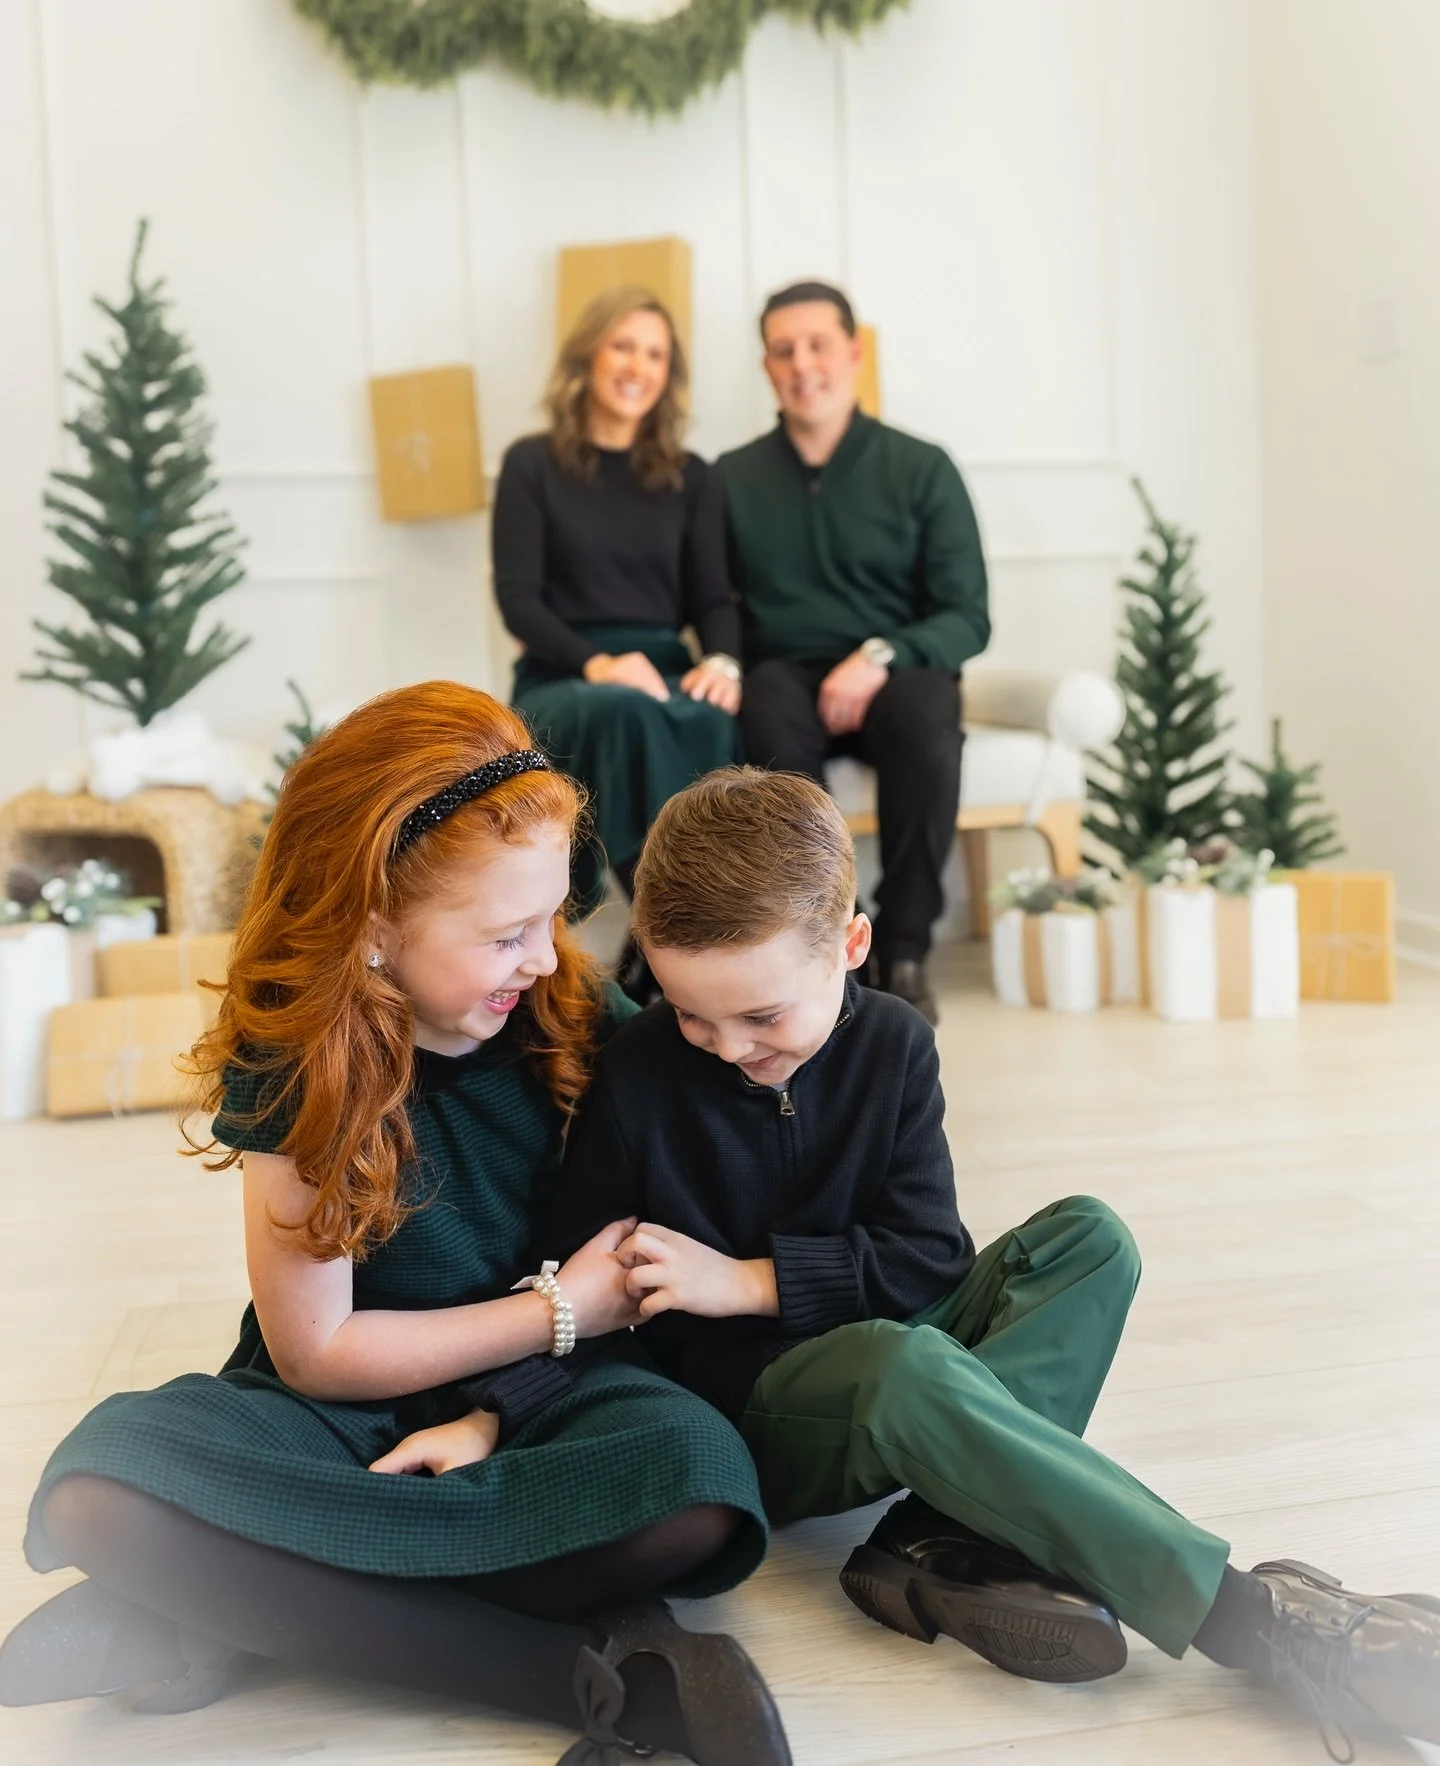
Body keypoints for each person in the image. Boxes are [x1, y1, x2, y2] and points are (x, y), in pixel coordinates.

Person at [382, 767, 1440, 1759]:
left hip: (890, 1350)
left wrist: (747, 1277)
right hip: (764, 1421)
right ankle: (1258, 1618)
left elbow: (931, 1250)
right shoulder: (643, 1072)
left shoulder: (894, 1043)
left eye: (761, 1015)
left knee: (1088, 1236)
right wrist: (489, 1413)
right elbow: (561, 1275)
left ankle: (929, 1540)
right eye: (691, 1011)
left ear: (850, 942)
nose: (725, 1044)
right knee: (900, 1364)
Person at [0, 687, 790, 1766]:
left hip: (547, 1395)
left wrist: (534, 1371)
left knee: (697, 1484)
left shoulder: (559, 1007)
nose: (547, 959)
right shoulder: (296, 1061)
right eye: (507, 934)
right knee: (98, 1490)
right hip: (336, 1410)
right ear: (374, 928)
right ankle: (579, 1677)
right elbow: (317, 1353)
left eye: (553, 918)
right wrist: (555, 1306)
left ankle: (227, 1608)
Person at [719, 281, 991, 1025]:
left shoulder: (922, 467)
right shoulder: (730, 479)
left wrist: (882, 654)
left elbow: (969, 616)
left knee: (929, 720)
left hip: (894, 670)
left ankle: (905, 948)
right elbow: (715, 606)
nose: (803, 364)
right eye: (784, 350)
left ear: (854, 353)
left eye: (818, 345)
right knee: (765, 719)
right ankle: (833, 940)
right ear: (768, 366)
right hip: (785, 672)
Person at [494, 284, 743, 983]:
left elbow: (714, 599)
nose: (638, 365)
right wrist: (599, 664)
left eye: (656, 354)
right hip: (564, 673)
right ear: (588, 357)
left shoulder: (692, 477)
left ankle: (673, 938)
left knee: (710, 719)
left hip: (661, 667)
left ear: (669, 376)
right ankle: (662, 930)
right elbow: (518, 600)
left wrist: (724, 661)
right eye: (623, 346)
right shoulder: (531, 465)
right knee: (628, 713)